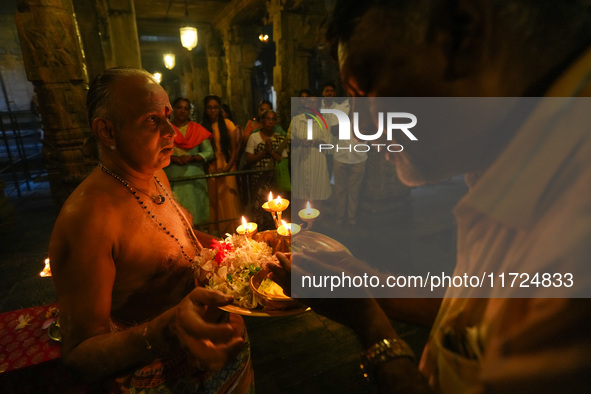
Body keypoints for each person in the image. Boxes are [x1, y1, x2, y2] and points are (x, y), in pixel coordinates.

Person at [268, 1, 591, 393]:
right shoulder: (512, 164)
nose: (366, 126)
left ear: (460, 35)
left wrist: (371, 326)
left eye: (366, 88)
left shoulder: (575, 221)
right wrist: (361, 279)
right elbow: (483, 312)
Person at [48, 68, 253, 393]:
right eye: (152, 120)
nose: (172, 131)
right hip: (163, 378)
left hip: (219, 354)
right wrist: (167, 330)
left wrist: (245, 250)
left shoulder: (156, 173)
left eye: (168, 116)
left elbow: (179, 240)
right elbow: (79, 356)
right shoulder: (87, 218)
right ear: (108, 132)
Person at [164, 97, 213, 227]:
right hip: (174, 176)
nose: (182, 111)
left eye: (186, 108)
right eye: (179, 108)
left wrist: (192, 158)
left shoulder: (198, 129)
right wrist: (174, 158)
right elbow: (158, 151)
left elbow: (209, 152)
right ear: (173, 110)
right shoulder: (165, 129)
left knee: (197, 214)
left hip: (195, 178)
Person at [201, 95, 242, 236]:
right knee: (214, 201)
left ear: (220, 109)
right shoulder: (202, 127)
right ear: (205, 109)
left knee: (228, 200)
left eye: (215, 108)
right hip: (211, 168)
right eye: (210, 108)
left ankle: (231, 233)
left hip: (226, 166)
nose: (213, 111)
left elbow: (234, 149)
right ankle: (216, 235)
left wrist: (227, 168)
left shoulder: (228, 124)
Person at [244, 109, 289, 230]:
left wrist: (271, 152)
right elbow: (249, 158)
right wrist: (264, 152)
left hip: (274, 179)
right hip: (259, 178)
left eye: (273, 119)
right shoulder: (254, 137)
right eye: (268, 119)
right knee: (259, 207)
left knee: (275, 206)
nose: (271, 122)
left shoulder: (280, 139)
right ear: (262, 121)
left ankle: (276, 231)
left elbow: (282, 159)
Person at [289, 95, 333, 214]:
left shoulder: (323, 121)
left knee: (317, 193)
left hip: (317, 162)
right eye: (309, 102)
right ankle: (302, 224)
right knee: (300, 194)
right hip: (300, 163)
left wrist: (313, 142)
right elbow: (289, 140)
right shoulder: (296, 120)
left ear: (318, 106)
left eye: (314, 103)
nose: (311, 105)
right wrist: (299, 141)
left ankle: (316, 226)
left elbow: (328, 143)